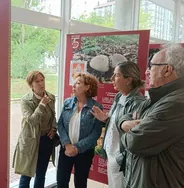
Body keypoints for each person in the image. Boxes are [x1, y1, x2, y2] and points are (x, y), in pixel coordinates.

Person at [119, 44, 184, 188]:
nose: (147, 72)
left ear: (167, 69)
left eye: (152, 66)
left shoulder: (176, 104)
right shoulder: (159, 98)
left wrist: (125, 132)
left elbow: (135, 141)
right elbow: (128, 115)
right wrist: (124, 123)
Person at [91, 61, 145, 188]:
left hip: (121, 159)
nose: (111, 78)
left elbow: (135, 133)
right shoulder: (119, 96)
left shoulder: (138, 103)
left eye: (116, 75)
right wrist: (105, 119)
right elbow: (118, 123)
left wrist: (120, 158)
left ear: (128, 80)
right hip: (112, 153)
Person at [57, 73, 103, 188]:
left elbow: (96, 133)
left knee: (80, 183)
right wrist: (67, 144)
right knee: (61, 182)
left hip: (84, 152)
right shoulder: (68, 102)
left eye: (78, 83)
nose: (73, 85)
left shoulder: (96, 107)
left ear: (87, 87)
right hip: (66, 149)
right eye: (74, 82)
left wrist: (77, 147)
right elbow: (60, 124)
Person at [12, 71, 57, 188]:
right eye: (37, 81)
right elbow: (32, 121)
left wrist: (53, 128)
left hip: (46, 139)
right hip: (30, 141)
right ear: (31, 84)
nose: (41, 83)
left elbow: (53, 115)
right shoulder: (25, 100)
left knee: (41, 173)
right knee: (26, 173)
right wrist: (41, 104)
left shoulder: (51, 97)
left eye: (42, 80)